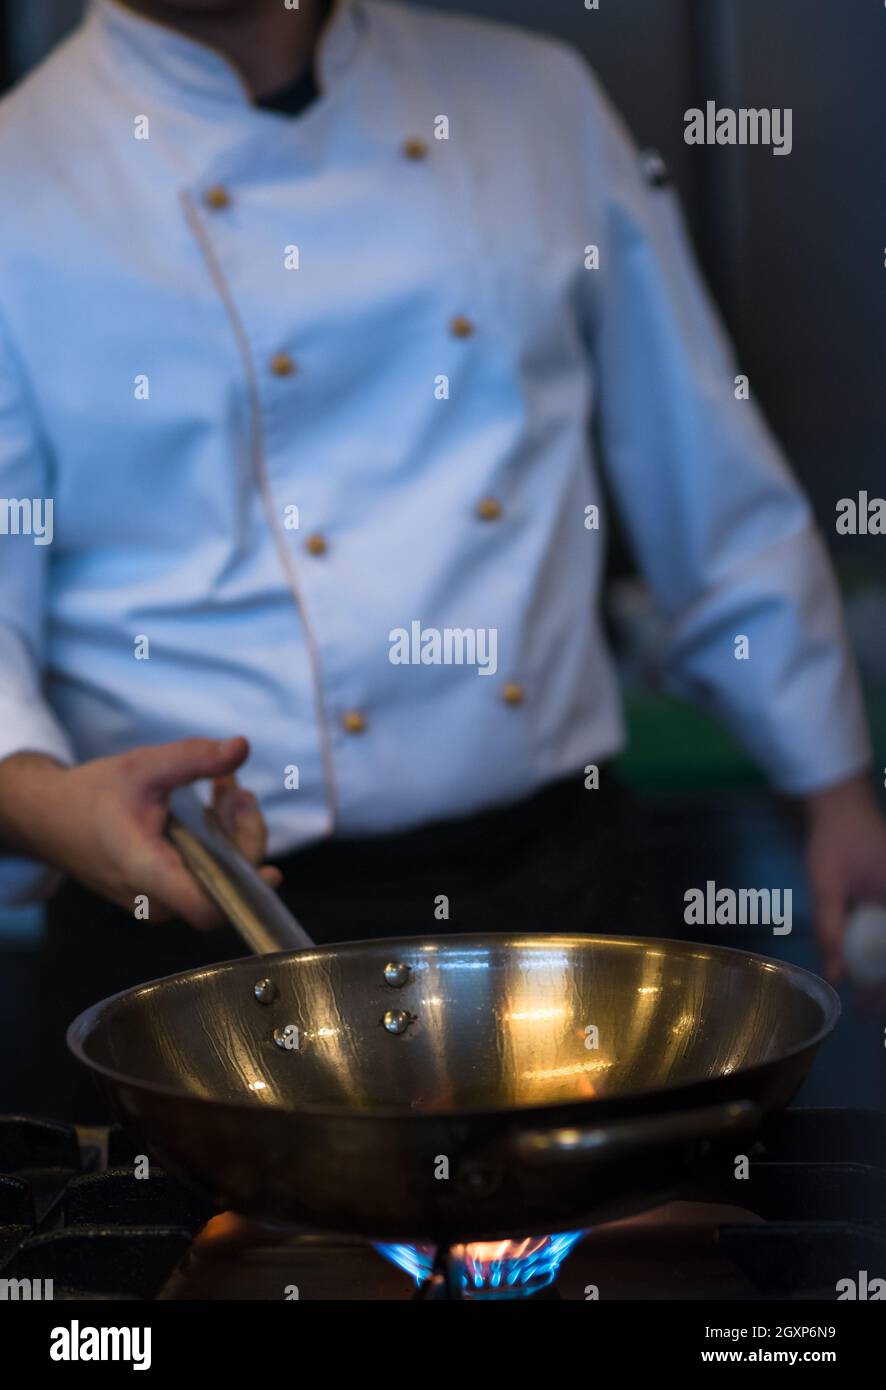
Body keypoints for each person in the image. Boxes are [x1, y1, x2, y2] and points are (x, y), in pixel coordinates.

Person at [0, 0, 884, 1117]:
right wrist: (36, 802)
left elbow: (702, 471)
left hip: (562, 904)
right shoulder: (18, 177)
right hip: (206, 947)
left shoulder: (535, 100)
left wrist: (835, 782)